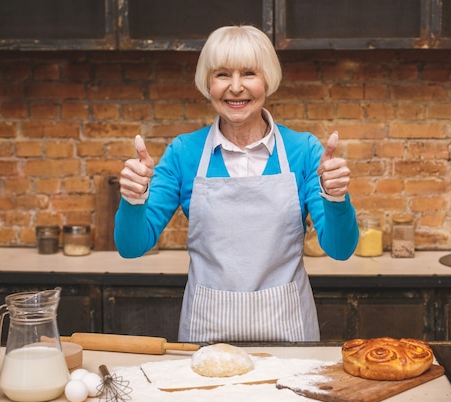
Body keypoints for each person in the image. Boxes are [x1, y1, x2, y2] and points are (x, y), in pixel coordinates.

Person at [114, 25, 359, 343]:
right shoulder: (184, 153)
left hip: (287, 331)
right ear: (208, 83)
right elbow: (132, 247)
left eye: (249, 73)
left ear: (267, 80)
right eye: (222, 75)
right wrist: (134, 199)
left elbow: (340, 250)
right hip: (207, 333)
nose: (236, 87)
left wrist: (336, 198)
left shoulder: (304, 151)